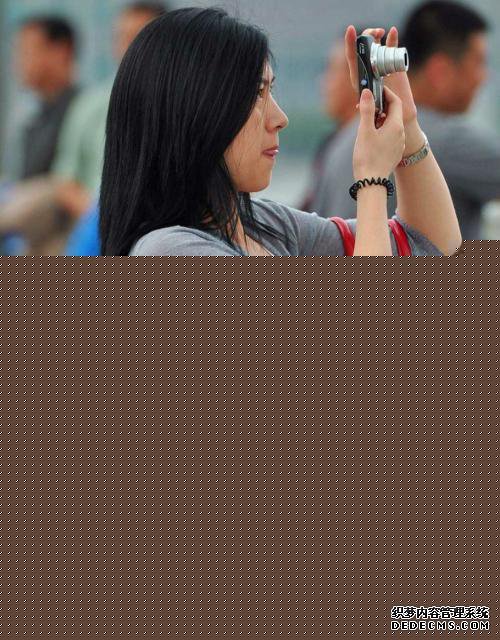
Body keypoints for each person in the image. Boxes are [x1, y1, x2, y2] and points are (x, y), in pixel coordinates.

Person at [99, 8, 462, 257]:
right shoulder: (168, 250)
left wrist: (406, 124)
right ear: (196, 110)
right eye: (256, 94)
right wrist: (371, 181)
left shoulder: (264, 226)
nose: (279, 118)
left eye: (270, 90)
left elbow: (429, 245)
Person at [307, 1, 500, 241]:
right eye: (479, 63)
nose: (484, 77)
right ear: (440, 71)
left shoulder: (344, 139)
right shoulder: (450, 139)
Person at [300, 29, 383, 212]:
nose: (323, 81)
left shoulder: (359, 147)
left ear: (360, 74)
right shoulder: (340, 141)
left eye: (332, 70)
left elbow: (344, 225)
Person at [12, 15, 80, 180]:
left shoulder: (82, 111)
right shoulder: (36, 117)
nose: (18, 62)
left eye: (27, 51)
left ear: (60, 52)